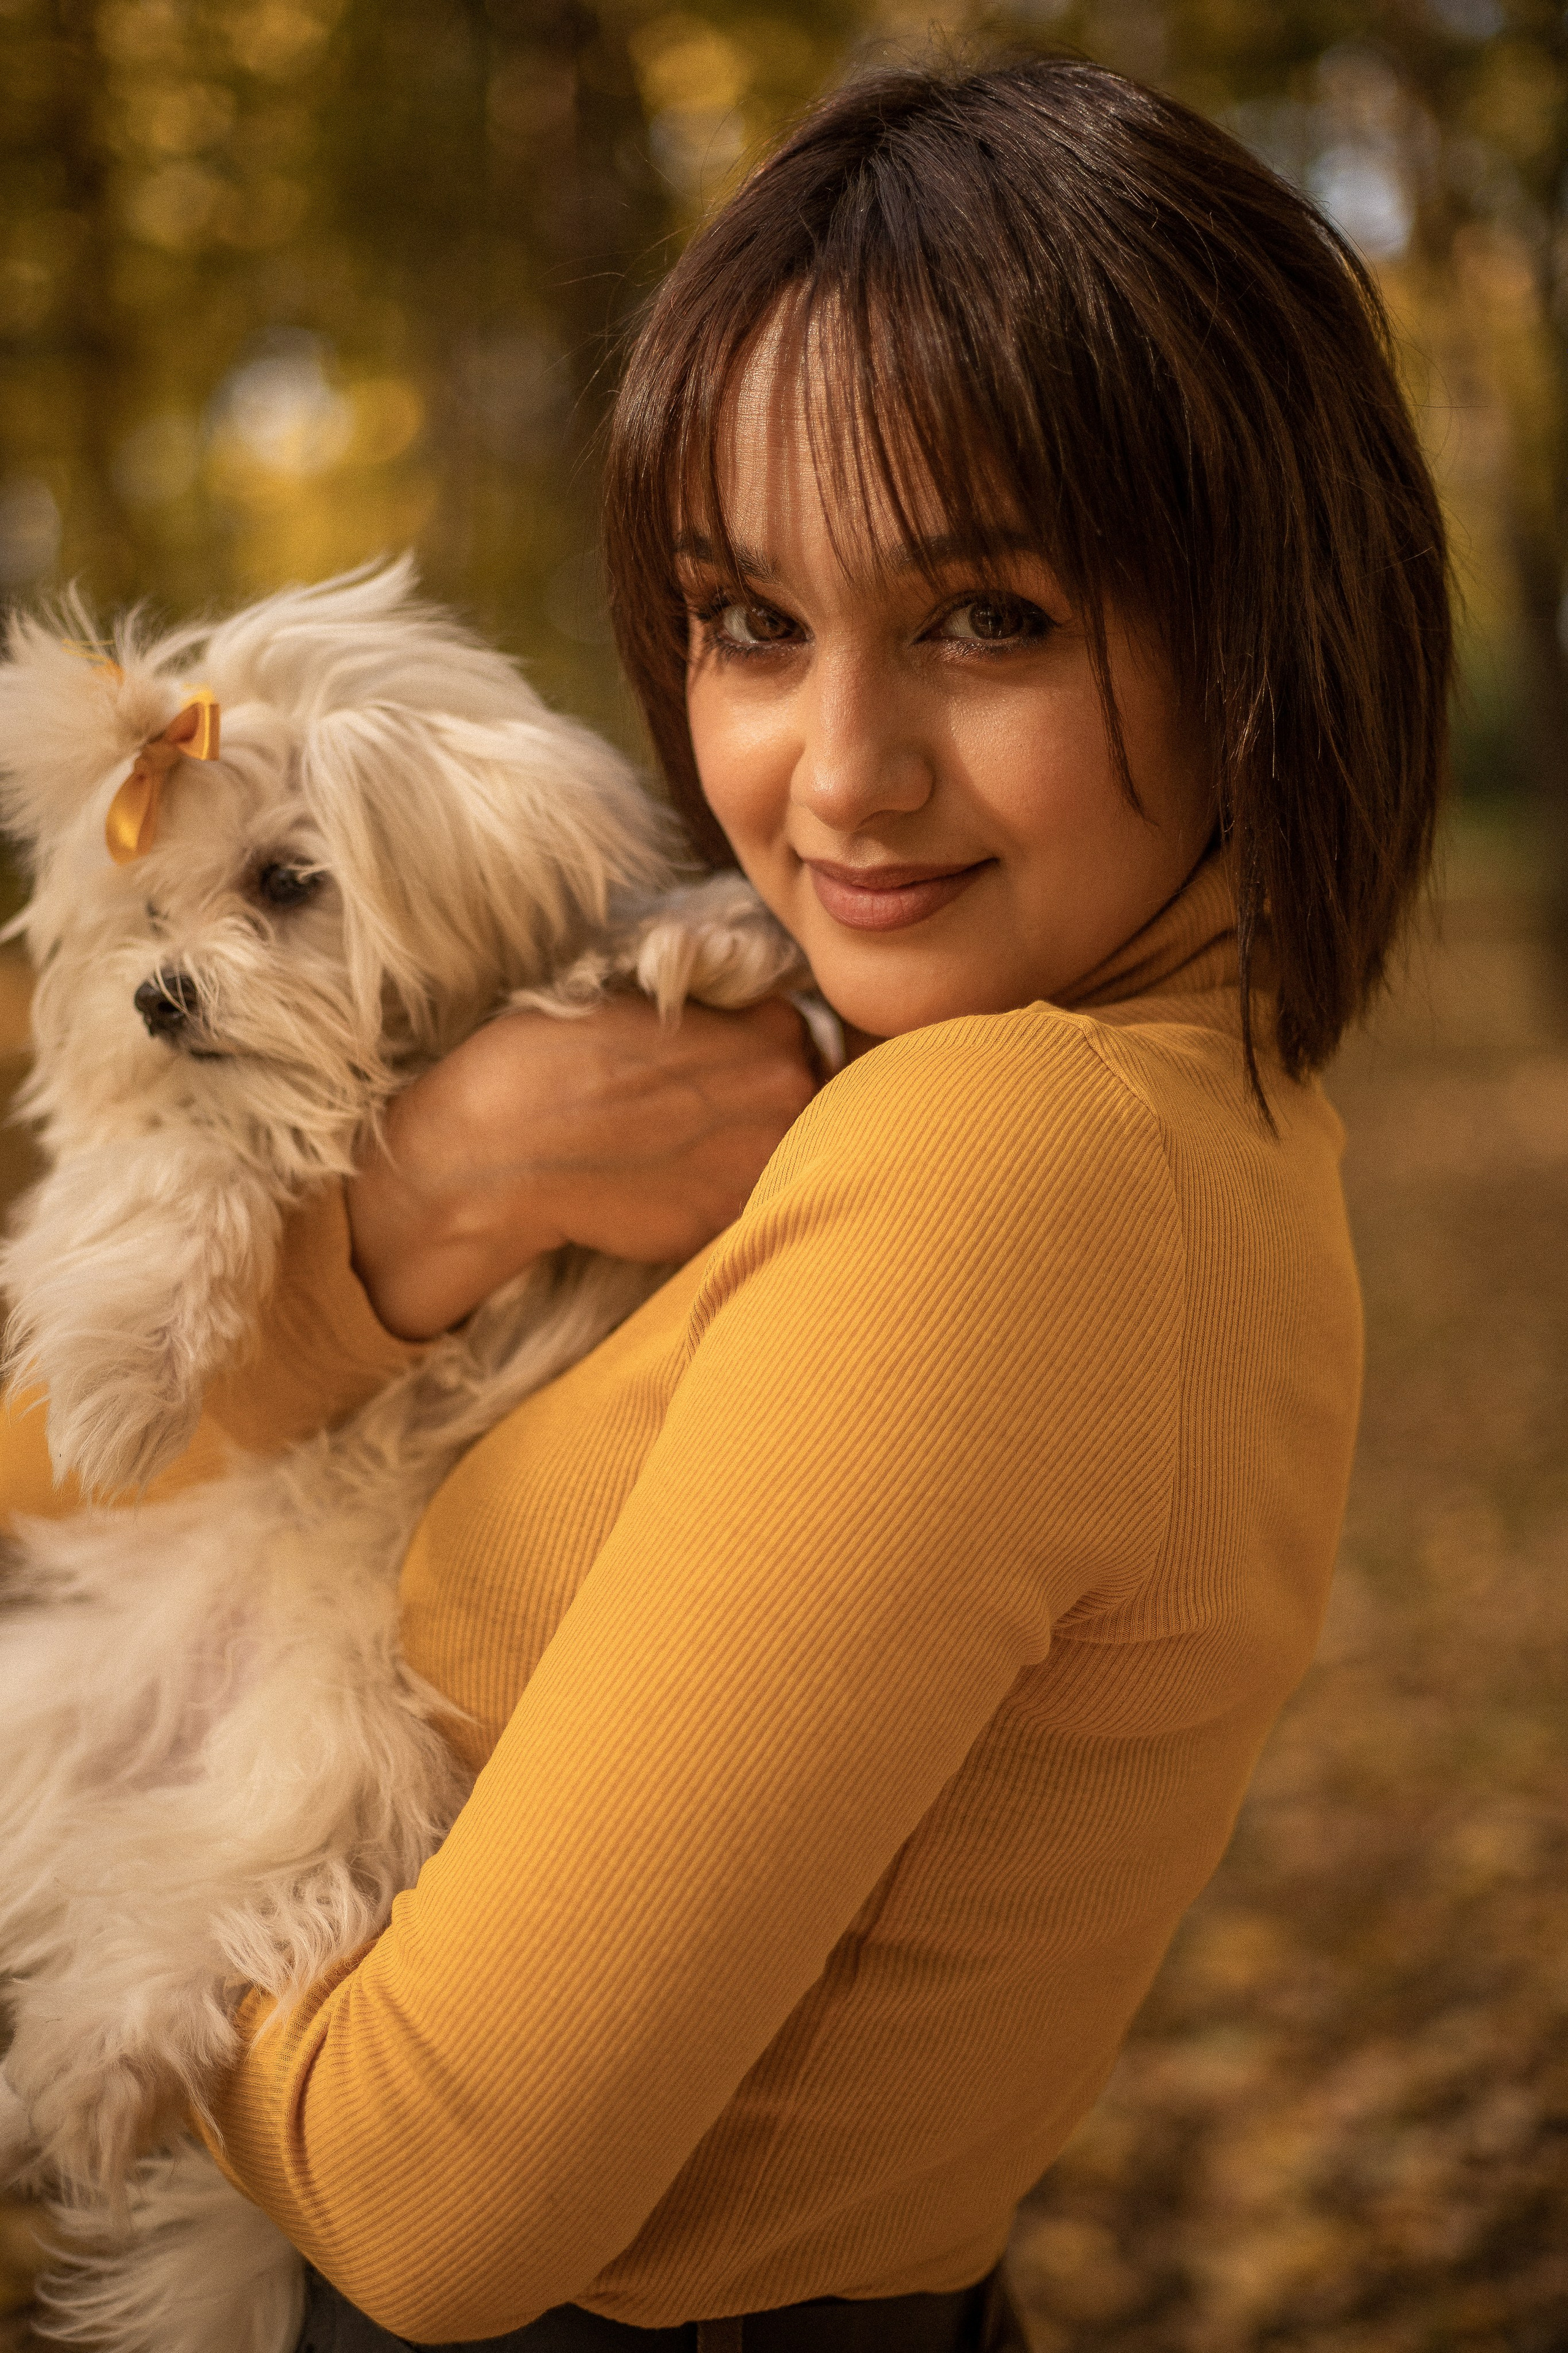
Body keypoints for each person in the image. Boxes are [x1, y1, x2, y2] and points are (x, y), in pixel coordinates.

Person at [13, 53, 1450, 2353]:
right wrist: (430, 1198)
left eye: (988, 617)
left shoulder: (1014, 1169)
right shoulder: (1048, 1093)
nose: (836, 774)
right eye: (750, 622)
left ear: (1257, 617)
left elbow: (434, 2198)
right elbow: (74, 1455)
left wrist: (105, 1924)